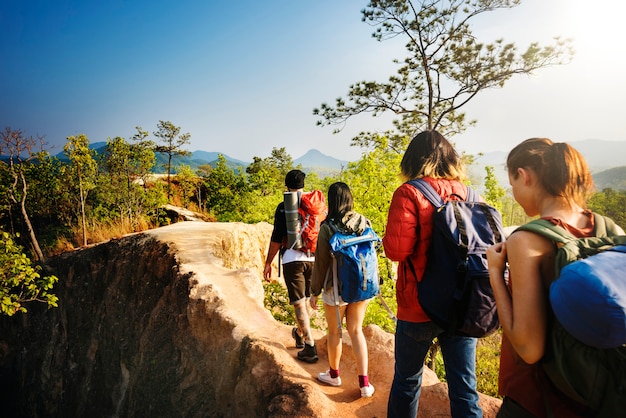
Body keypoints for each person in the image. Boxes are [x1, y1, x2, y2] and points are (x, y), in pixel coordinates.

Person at [486, 138, 624, 417]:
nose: (513, 192)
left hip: (540, 398)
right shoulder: (612, 229)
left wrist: (495, 273)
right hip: (600, 393)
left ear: (524, 176)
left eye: (512, 184)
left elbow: (529, 349)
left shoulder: (527, 240)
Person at [383, 130, 483, 418]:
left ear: (412, 160)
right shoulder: (472, 195)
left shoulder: (409, 192)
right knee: (465, 389)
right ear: (452, 159)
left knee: (407, 381)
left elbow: (397, 251)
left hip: (419, 304)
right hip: (463, 305)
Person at [309, 182, 375, 398]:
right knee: (356, 331)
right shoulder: (364, 222)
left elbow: (320, 263)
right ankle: (365, 384)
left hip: (335, 287)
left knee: (335, 332)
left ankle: (334, 375)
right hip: (361, 285)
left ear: (332, 201)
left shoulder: (328, 227)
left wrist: (314, 291)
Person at [264, 169, 318, 363]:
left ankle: (309, 345)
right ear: (304, 184)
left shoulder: (283, 207)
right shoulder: (315, 205)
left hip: (292, 259)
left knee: (298, 302)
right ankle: (300, 334)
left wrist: (268, 262)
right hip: (314, 257)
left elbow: (277, 237)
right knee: (308, 299)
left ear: (286, 185)